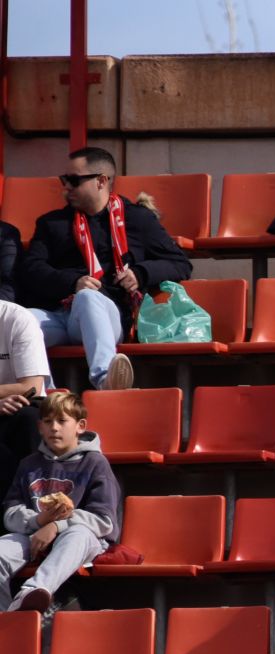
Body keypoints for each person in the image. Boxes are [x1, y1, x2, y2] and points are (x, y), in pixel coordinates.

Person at [17, 147, 191, 392]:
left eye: (74, 181)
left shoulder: (137, 219)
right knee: (18, 320)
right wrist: (73, 282)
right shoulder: (52, 223)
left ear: (101, 181)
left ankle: (106, 380)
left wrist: (140, 273)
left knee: (89, 298)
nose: (66, 187)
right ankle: (44, 395)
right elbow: (30, 270)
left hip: (108, 315)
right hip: (59, 315)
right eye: (63, 179)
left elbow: (180, 263)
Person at [2, 390, 121, 615]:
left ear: (80, 425)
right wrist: (38, 520)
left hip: (80, 539)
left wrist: (56, 525)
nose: (54, 428)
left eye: (62, 421)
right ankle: (6, 616)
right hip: (33, 535)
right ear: (39, 428)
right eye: (48, 422)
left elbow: (104, 521)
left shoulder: (95, 463)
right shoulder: (29, 464)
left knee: (78, 535)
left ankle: (34, 590)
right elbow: (10, 512)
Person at [0, 297, 51, 496]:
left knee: (30, 418)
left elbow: (31, 386)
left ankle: (36, 502)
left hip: (21, 408)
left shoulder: (17, 319)